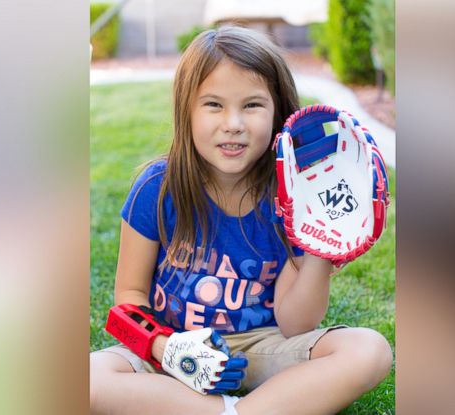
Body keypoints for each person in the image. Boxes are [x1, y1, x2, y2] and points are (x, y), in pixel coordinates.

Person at [89, 26, 393, 415]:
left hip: (259, 349)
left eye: (252, 105)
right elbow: (129, 298)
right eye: (213, 105)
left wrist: (321, 250)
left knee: (369, 350)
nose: (233, 122)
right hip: (173, 349)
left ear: (279, 112)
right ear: (186, 111)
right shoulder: (156, 188)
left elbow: (295, 323)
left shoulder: (295, 200)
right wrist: (168, 350)